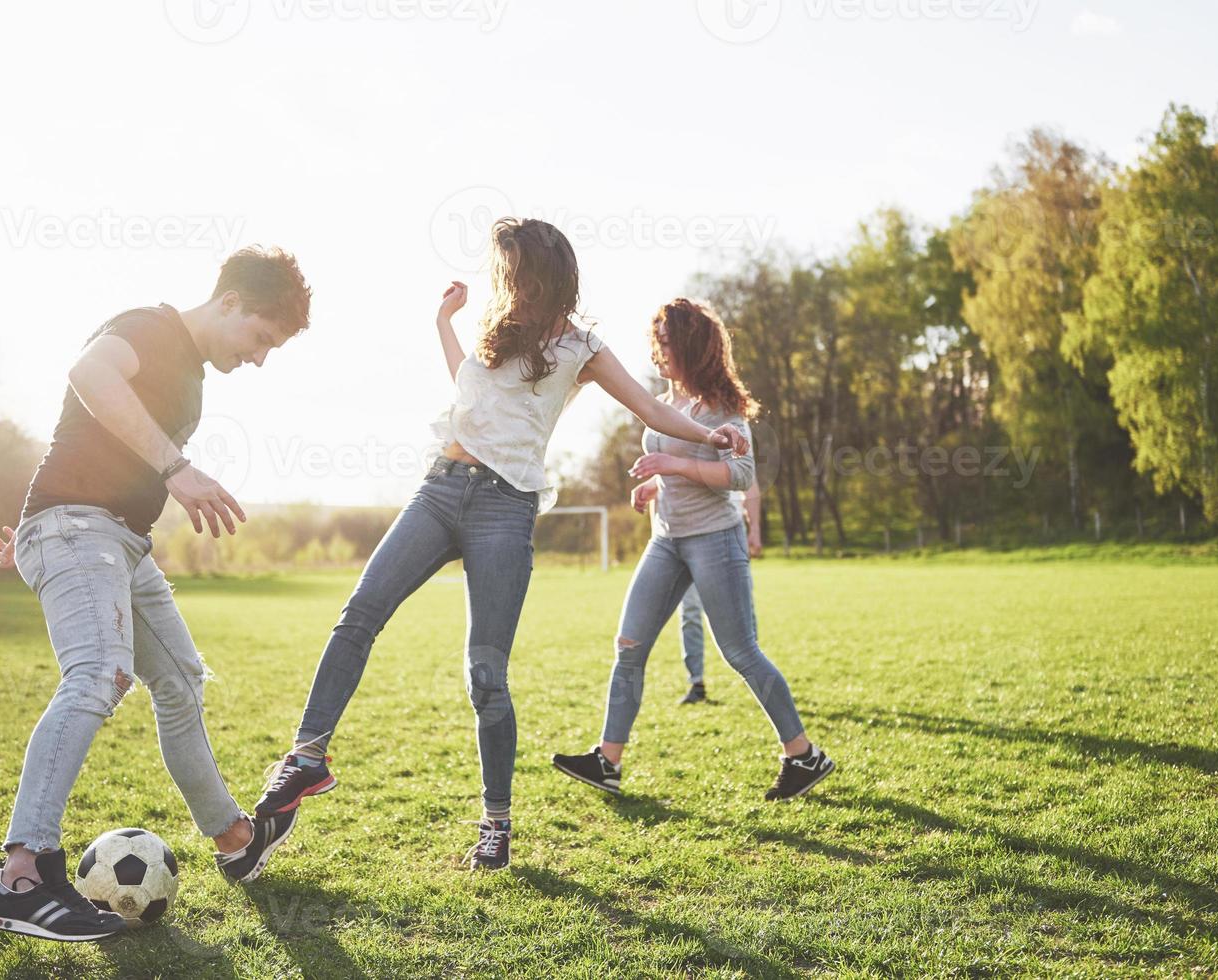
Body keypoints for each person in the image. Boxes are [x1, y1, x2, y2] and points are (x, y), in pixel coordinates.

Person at [252, 218, 749, 871]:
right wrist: (444, 324)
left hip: (503, 509)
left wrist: (708, 437)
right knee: (358, 615)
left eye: (507, 266)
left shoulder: (581, 347)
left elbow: (651, 410)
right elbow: (472, 393)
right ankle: (307, 758)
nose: (499, 276)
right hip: (439, 489)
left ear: (536, 271)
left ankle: (496, 824)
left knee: (485, 675)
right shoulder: (496, 330)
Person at [0, 247, 312, 941]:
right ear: (228, 303)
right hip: (80, 529)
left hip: (114, 542)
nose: (259, 359)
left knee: (182, 680)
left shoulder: (190, 374)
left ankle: (234, 839)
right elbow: (87, 374)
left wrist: (50, 543)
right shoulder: (151, 327)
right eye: (260, 338)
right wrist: (173, 470)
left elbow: (98, 448)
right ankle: (21, 877)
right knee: (98, 675)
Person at [552, 298, 834, 803]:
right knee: (629, 645)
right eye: (654, 344)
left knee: (740, 651)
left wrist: (671, 467)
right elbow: (674, 463)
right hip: (667, 540)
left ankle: (803, 755)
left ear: (689, 347)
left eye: (664, 345)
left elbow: (742, 475)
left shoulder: (724, 409)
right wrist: (655, 486)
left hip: (715, 540)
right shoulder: (667, 402)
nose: (657, 354)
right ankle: (607, 761)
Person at [672, 479, 761, 705]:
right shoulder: (669, 444)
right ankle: (696, 683)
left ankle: (758, 678)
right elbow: (660, 487)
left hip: (727, 532)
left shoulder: (730, 444)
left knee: (743, 610)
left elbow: (749, 483)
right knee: (689, 611)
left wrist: (755, 529)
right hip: (684, 534)